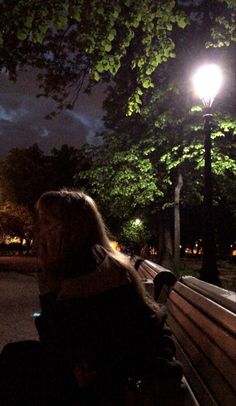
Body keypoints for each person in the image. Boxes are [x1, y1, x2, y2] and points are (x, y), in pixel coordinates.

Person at [0, 189, 184, 405]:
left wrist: (48, 285)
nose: (36, 228)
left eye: (46, 221)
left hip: (127, 375)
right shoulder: (87, 260)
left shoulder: (92, 269)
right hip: (113, 363)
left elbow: (62, 340)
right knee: (16, 356)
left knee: (16, 366)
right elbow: (64, 340)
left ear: (71, 229)